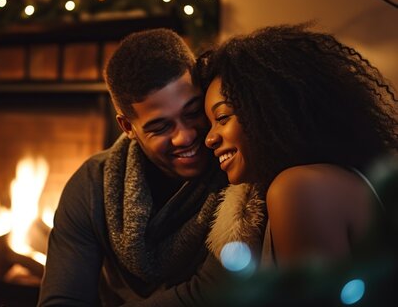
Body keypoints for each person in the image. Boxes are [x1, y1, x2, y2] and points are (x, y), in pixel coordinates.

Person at [129, 23, 398, 306]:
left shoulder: (297, 189)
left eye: (222, 119)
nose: (208, 138)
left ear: (268, 110)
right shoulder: (332, 179)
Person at [37, 28, 227, 306]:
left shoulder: (238, 172)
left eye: (193, 111)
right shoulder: (93, 184)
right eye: (161, 126)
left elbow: (212, 295)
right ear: (128, 127)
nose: (185, 136)